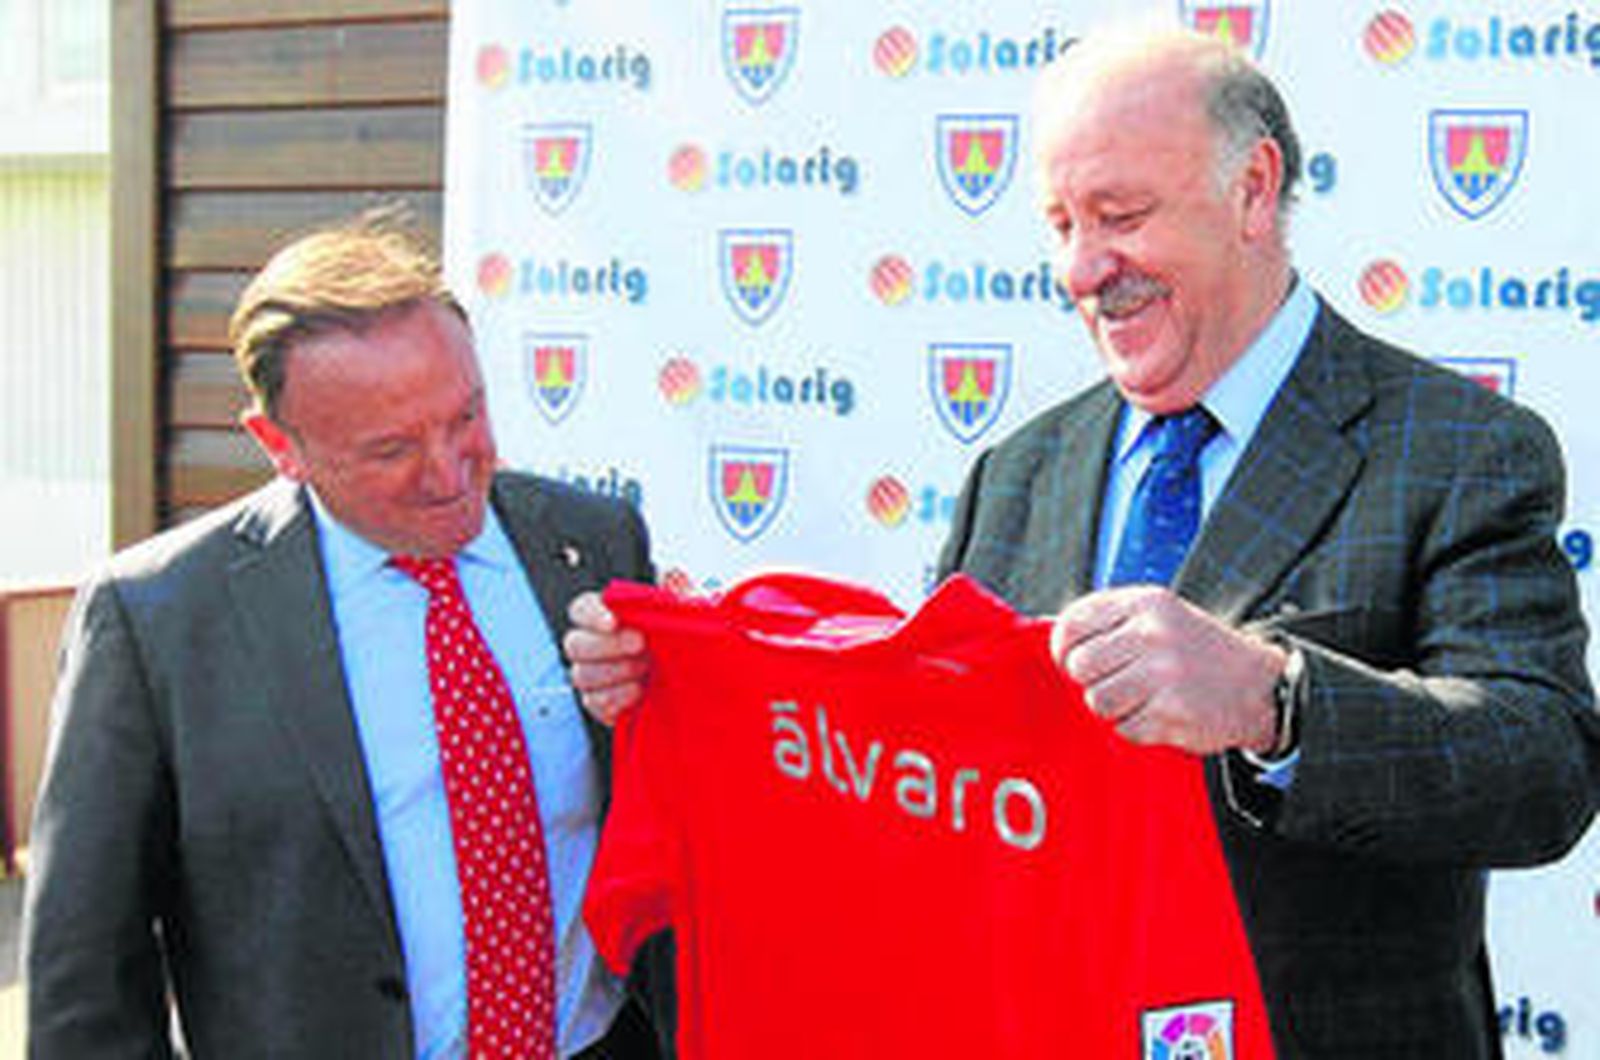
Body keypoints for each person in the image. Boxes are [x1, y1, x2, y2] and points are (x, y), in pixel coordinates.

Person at [566, 27, 1600, 1059]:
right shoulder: (1017, 474)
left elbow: (1544, 764)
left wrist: (1274, 701)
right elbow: (932, 792)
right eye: (1060, 224)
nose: (1081, 268)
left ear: (1252, 190)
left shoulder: (1457, 448)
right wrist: (705, 710)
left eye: (1121, 215)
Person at [24, 214, 670, 1058]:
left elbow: (673, 831)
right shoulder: (156, 618)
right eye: (390, 449)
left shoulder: (593, 543)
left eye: (465, 415)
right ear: (278, 445)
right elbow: (84, 974)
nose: (448, 471)